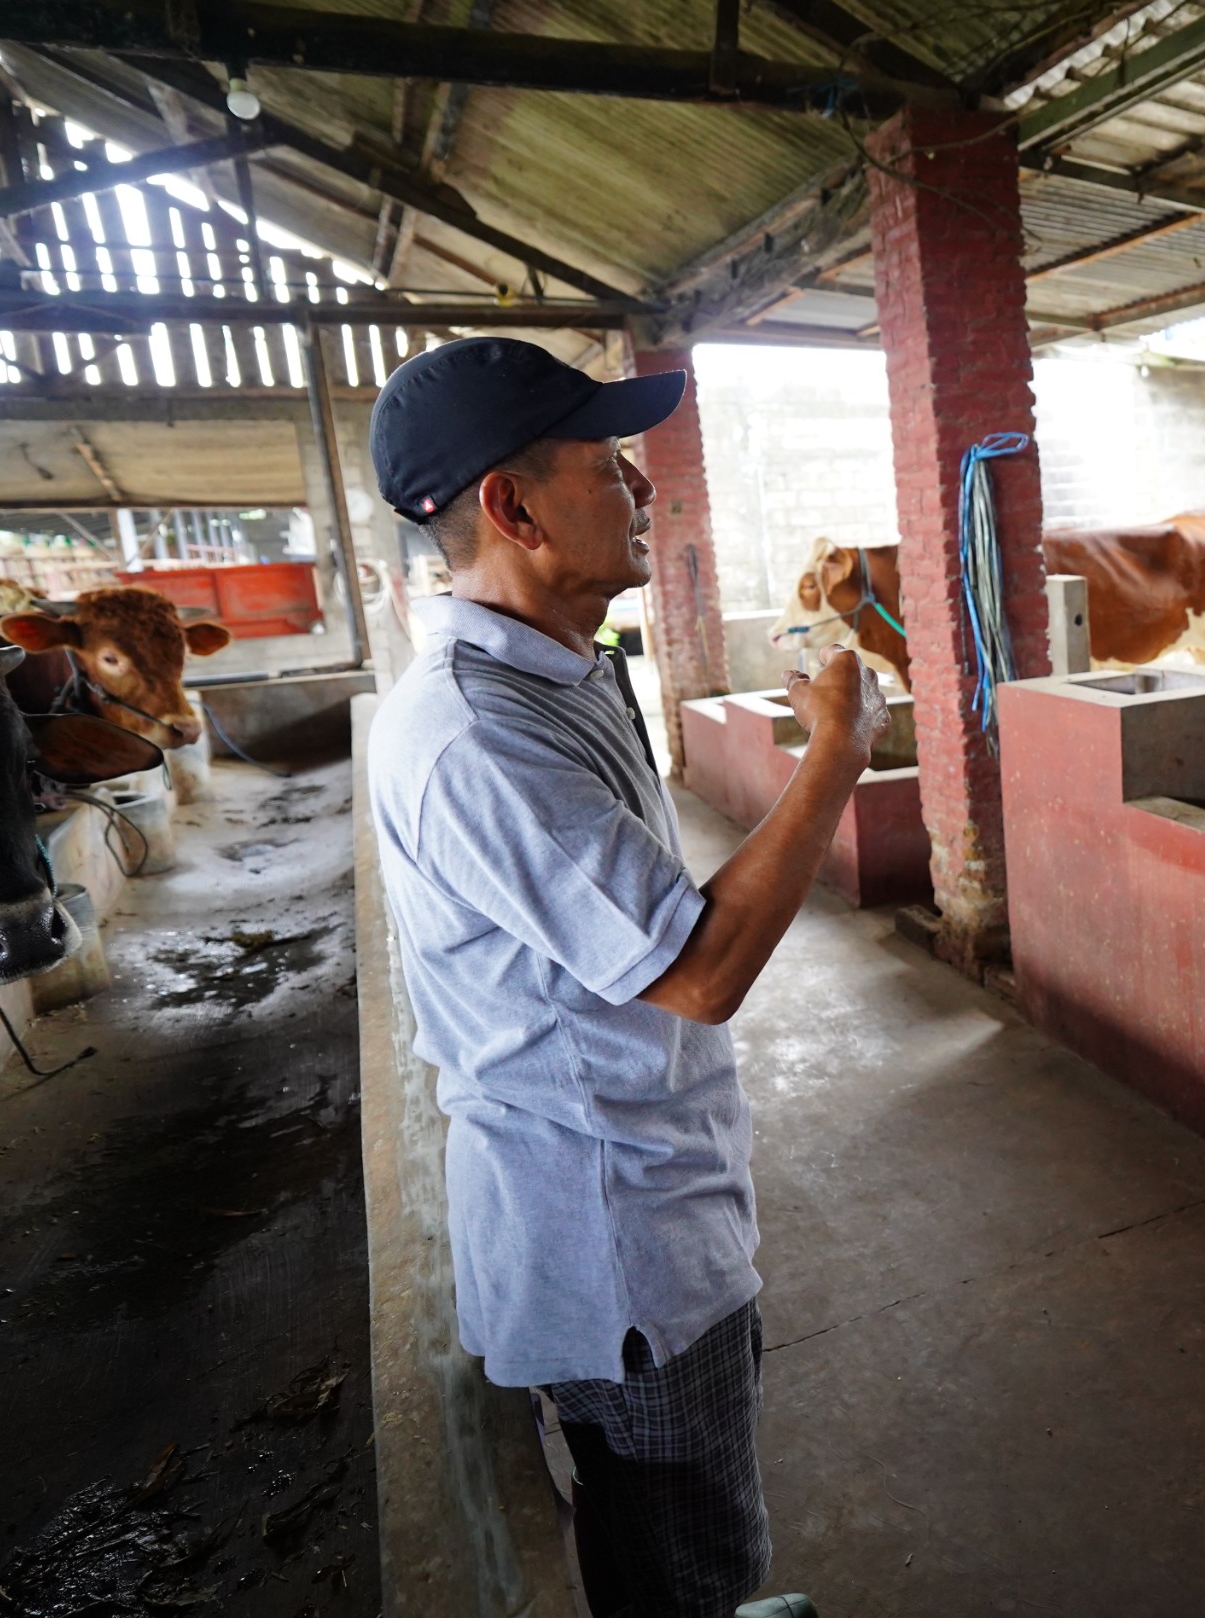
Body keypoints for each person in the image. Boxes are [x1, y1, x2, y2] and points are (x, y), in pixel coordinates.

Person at [366, 337, 887, 1618]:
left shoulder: (561, 667)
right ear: (514, 506)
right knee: (683, 1559)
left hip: (654, 1181)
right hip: (615, 1244)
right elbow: (699, 970)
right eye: (609, 464)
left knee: (689, 1526)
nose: (646, 488)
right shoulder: (481, 732)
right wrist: (835, 750)